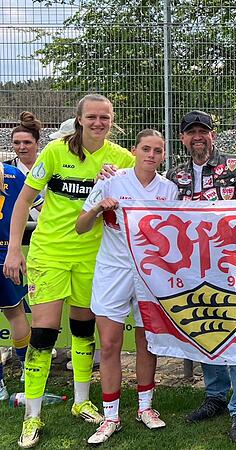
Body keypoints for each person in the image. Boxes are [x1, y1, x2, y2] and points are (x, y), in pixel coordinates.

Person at [3, 94, 136, 449]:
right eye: (91, 117)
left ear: (112, 120)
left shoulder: (122, 158)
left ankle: (81, 401)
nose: (98, 123)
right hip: (50, 253)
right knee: (44, 333)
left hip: (94, 257)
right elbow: (24, 201)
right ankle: (32, 416)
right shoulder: (55, 151)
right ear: (79, 119)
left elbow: (145, 191)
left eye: (105, 117)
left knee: (82, 328)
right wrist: (15, 248)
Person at [167, 110, 236, 444]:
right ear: (183, 138)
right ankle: (215, 396)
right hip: (193, 268)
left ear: (213, 134)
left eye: (203, 131)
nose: (198, 137)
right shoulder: (175, 175)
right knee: (205, 328)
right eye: (191, 132)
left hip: (233, 267)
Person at [74, 129, 176, 444]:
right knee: (109, 344)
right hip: (113, 271)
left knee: (147, 341)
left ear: (163, 155)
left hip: (151, 273)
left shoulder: (169, 189)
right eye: (146, 149)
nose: (151, 155)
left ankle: (145, 407)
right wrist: (97, 208)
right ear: (134, 150)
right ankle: (111, 416)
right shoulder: (110, 180)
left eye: (158, 151)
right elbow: (80, 227)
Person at [0, 160, 42, 402]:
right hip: (8, 256)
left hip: (7, 257)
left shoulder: (13, 174)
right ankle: (28, 371)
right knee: (16, 314)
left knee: (15, 315)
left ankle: (1, 384)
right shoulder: (13, 174)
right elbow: (42, 206)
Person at [7, 111, 47, 222]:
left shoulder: (51, 168)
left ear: (37, 143)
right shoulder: (5, 170)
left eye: (27, 142)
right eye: (16, 143)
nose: (21, 147)